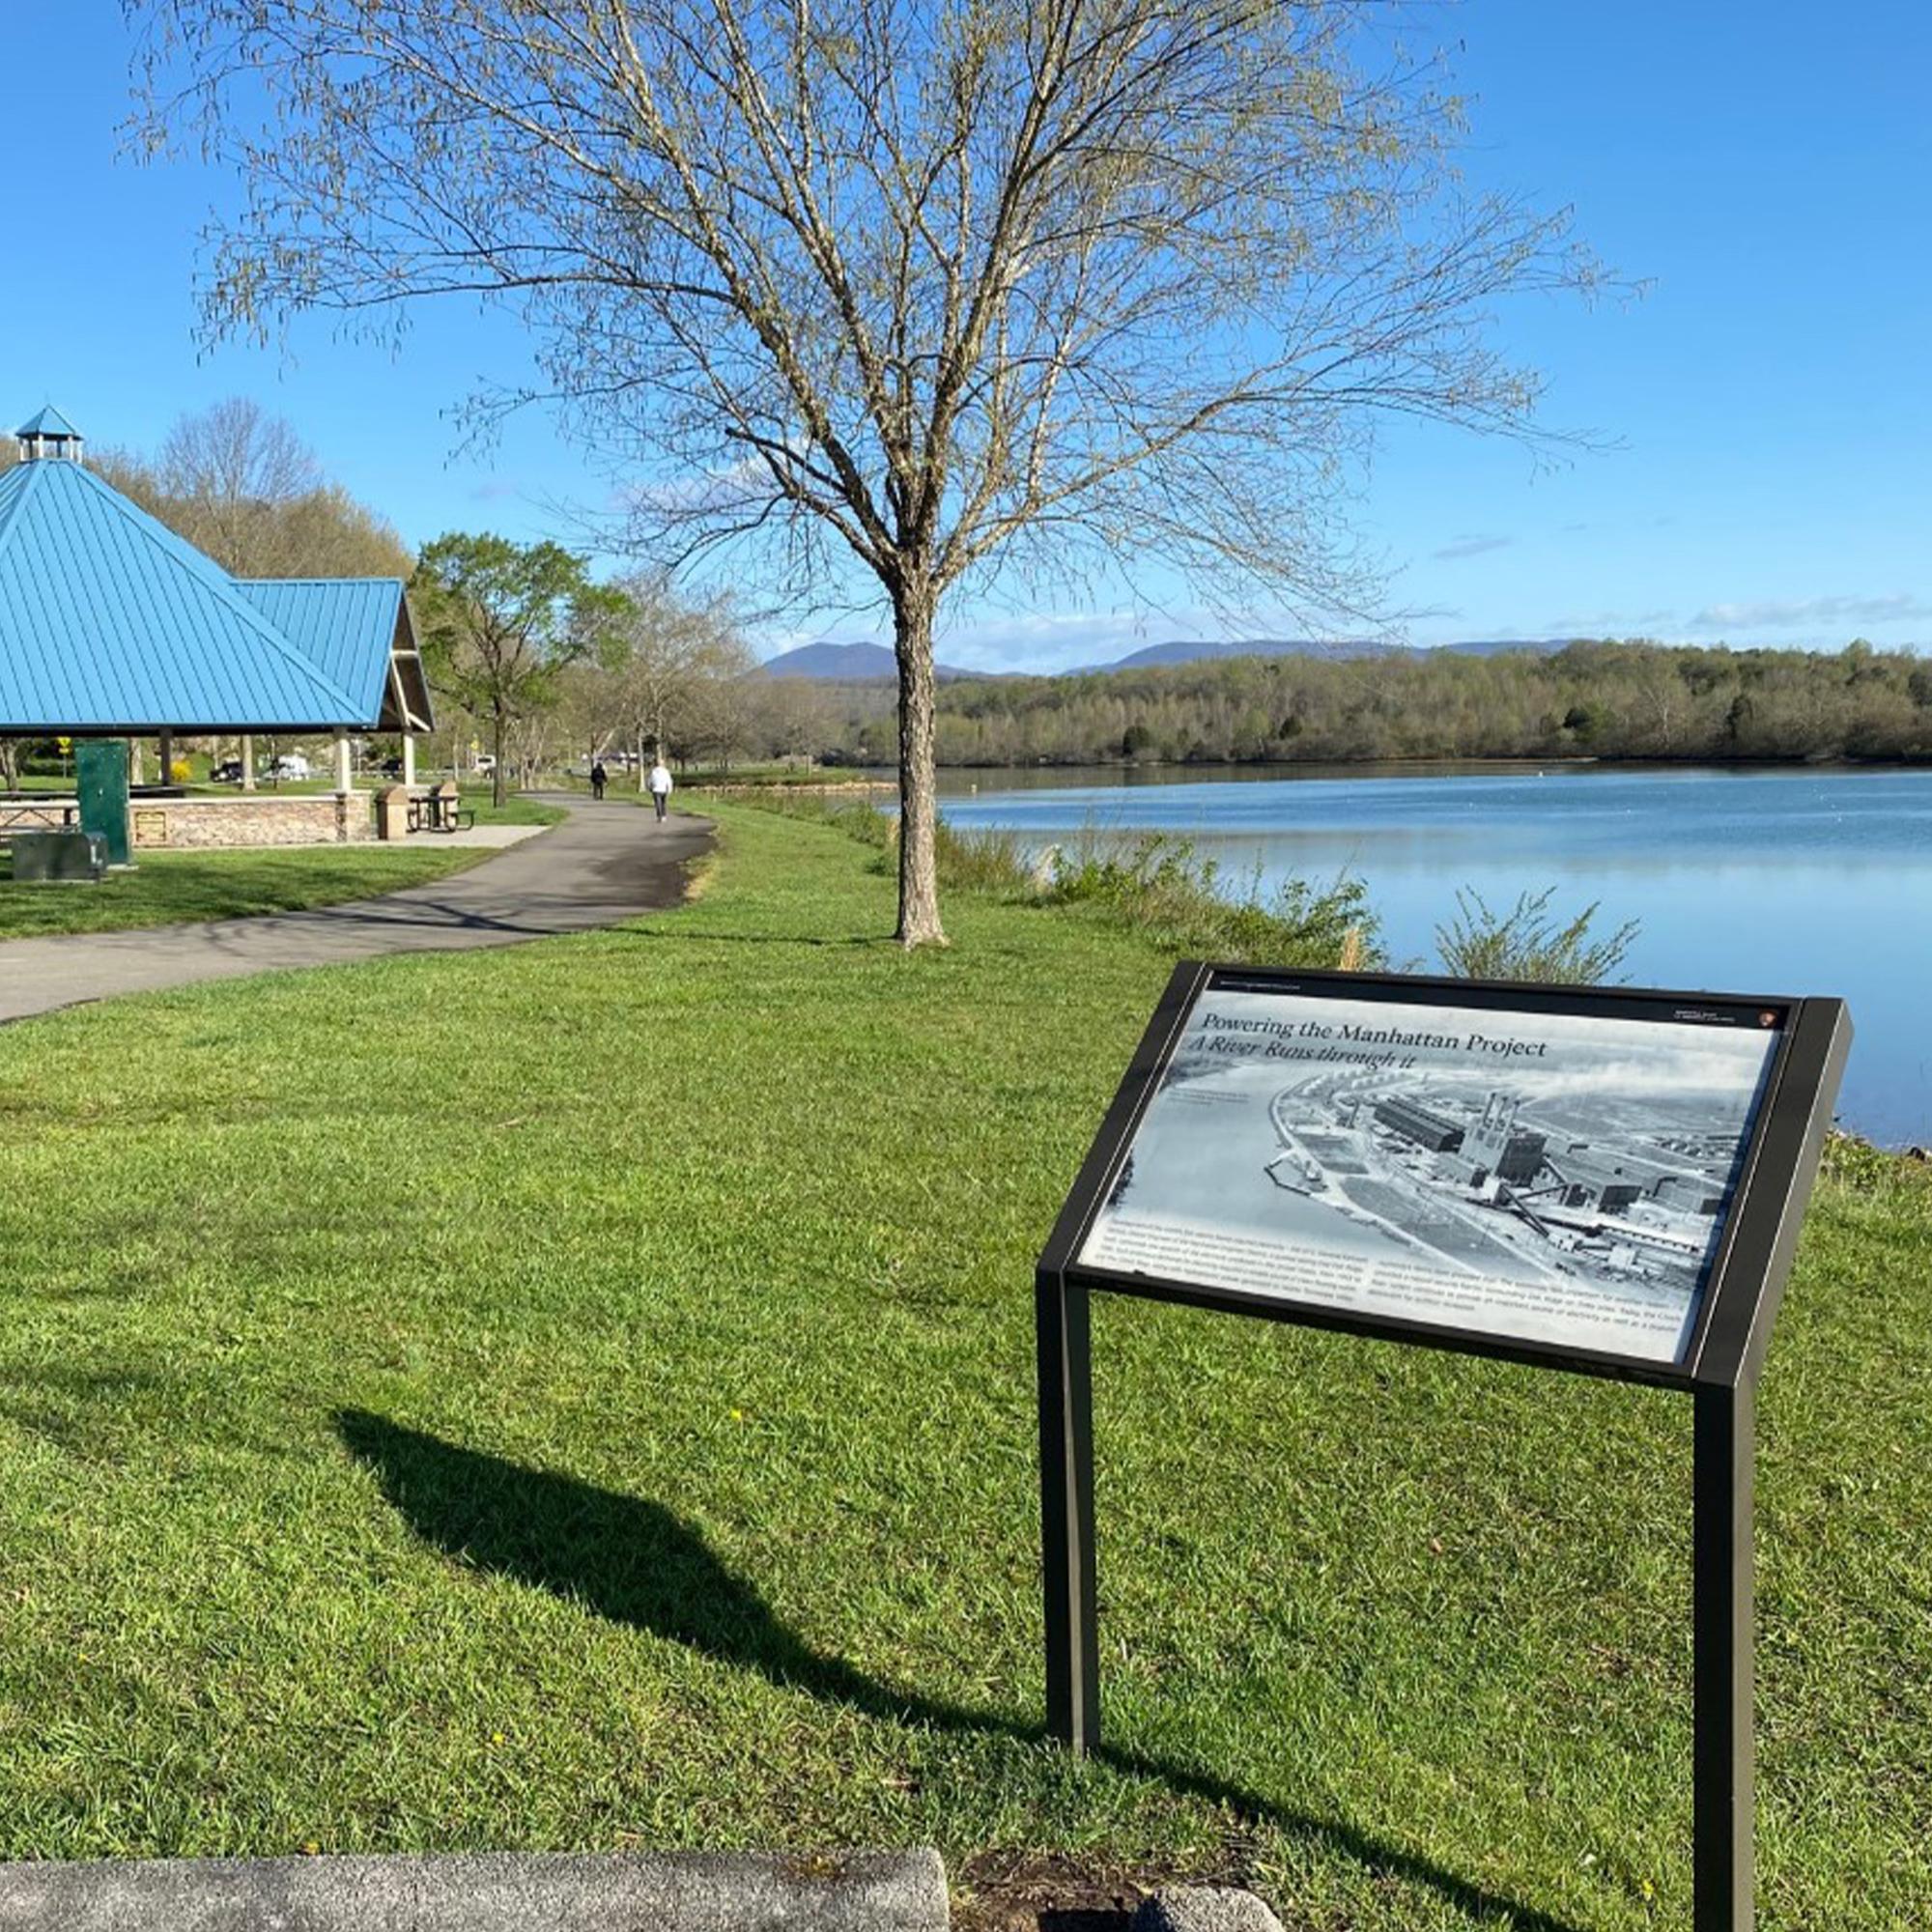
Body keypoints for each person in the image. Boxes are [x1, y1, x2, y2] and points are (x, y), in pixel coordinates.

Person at [647, 756, 673, 822]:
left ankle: (659, 816)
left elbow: (650, 780)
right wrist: (670, 788)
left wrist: (649, 786)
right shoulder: (666, 771)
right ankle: (663, 816)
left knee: (658, 804)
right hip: (663, 789)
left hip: (656, 789)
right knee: (663, 803)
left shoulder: (654, 771)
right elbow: (669, 781)